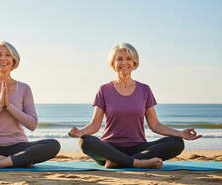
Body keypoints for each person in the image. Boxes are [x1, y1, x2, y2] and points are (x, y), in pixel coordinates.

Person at [68, 43, 201, 169]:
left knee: (176, 143)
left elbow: (155, 125)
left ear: (134, 63)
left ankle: (120, 162)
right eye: (119, 59)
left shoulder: (144, 89)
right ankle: (137, 162)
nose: (124, 63)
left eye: (128, 59)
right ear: (113, 64)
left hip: (139, 147)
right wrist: (81, 132)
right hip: (110, 148)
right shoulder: (104, 89)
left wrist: (179, 133)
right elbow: (95, 125)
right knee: (84, 142)